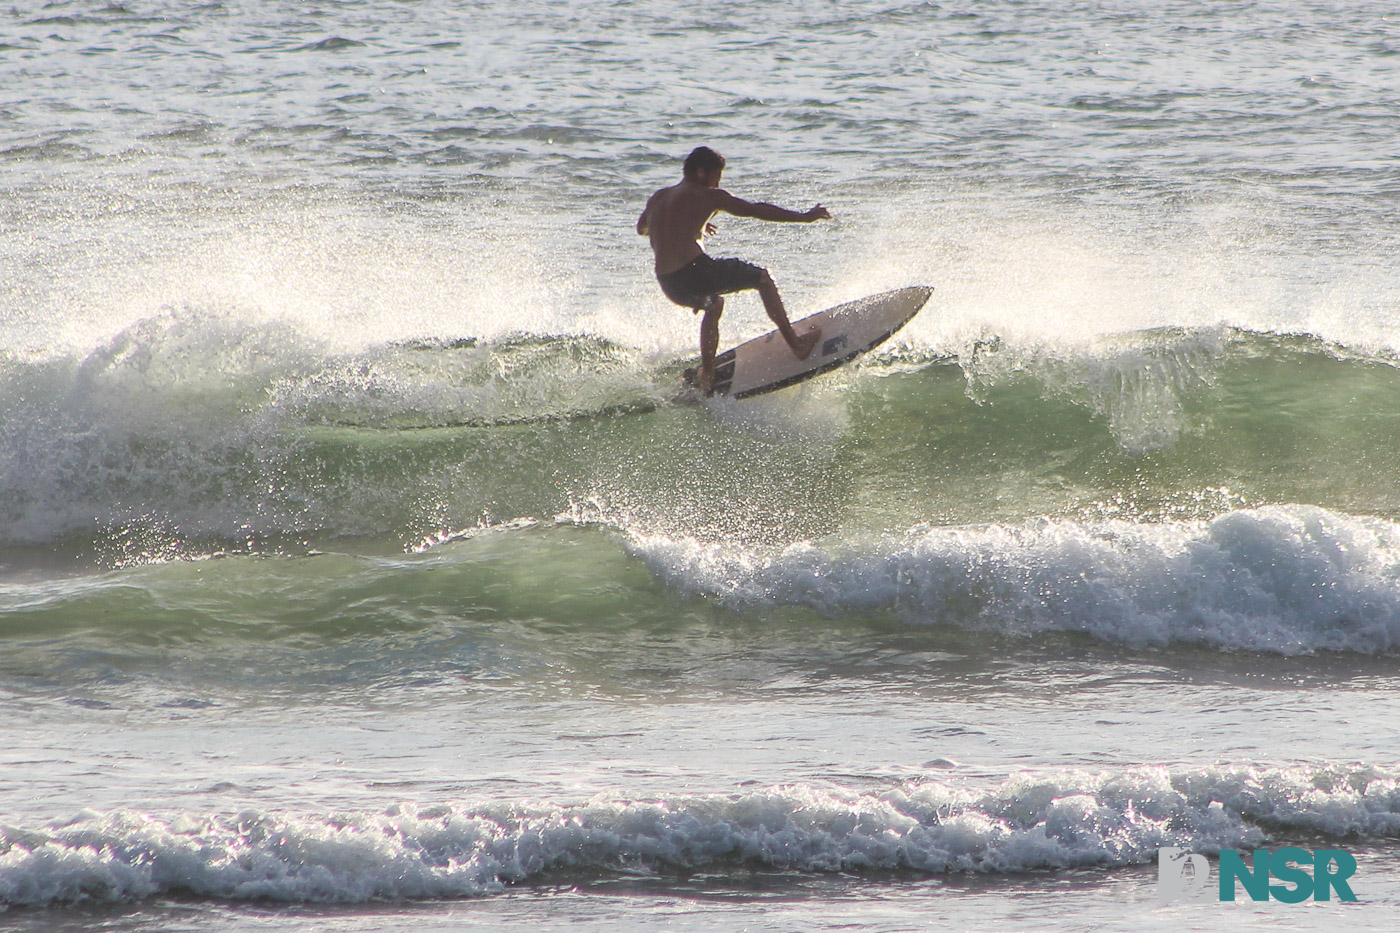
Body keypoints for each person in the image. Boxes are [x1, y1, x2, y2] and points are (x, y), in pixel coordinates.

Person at [637, 146, 831, 394]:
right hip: (695, 271)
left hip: (669, 283)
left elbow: (643, 228)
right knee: (762, 278)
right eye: (717, 176)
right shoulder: (709, 196)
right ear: (701, 172)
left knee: (714, 304)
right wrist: (804, 217)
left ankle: (707, 374)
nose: (718, 182)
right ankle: (797, 345)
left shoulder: (659, 197)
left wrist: (689, 223)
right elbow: (756, 210)